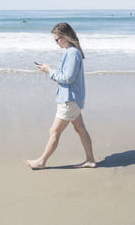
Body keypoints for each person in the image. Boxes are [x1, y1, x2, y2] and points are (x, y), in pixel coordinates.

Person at [23, 22, 96, 169]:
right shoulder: (72, 52)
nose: (56, 43)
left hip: (69, 99)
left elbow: (67, 78)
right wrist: (49, 69)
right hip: (73, 98)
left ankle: (41, 162)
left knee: (54, 131)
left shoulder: (72, 53)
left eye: (57, 39)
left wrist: (49, 71)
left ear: (65, 37)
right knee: (80, 128)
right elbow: (67, 76)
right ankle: (90, 160)